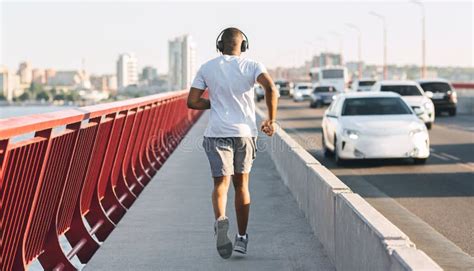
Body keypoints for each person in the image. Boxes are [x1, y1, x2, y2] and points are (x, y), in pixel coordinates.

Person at [187, 27, 278, 259]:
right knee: (242, 185)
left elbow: (193, 102)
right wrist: (271, 119)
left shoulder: (207, 67)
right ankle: (242, 238)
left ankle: (220, 221)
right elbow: (270, 88)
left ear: (220, 45)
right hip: (244, 133)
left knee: (220, 185)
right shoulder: (252, 66)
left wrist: (215, 104)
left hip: (216, 133)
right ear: (243, 45)